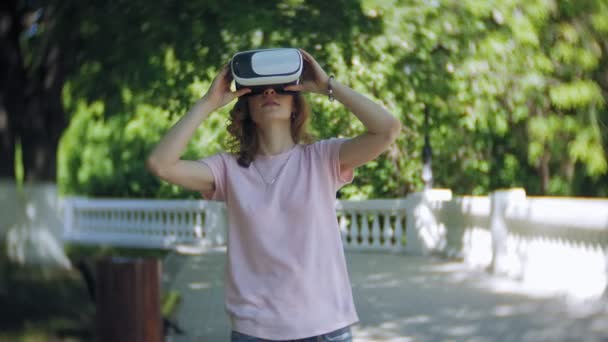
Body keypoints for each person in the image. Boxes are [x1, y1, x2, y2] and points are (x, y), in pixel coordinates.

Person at [146, 48, 401, 341]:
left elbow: (388, 130)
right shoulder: (228, 169)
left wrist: (327, 86)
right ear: (248, 108)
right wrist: (208, 102)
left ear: (295, 105)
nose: (270, 91)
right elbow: (160, 164)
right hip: (254, 332)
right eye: (257, 90)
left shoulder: (322, 159)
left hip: (325, 329)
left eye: (281, 87)